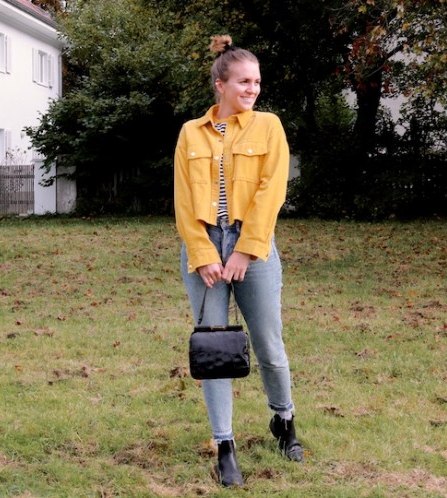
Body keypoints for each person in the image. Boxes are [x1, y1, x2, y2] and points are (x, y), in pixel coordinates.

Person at [174, 34, 303, 487]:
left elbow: (273, 189)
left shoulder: (269, 126)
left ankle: (283, 420)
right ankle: (224, 445)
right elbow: (183, 199)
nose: (252, 89)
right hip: (205, 246)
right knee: (214, 350)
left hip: (255, 244)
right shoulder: (191, 132)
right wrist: (204, 254)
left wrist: (247, 249)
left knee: (269, 343)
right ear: (220, 85)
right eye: (244, 82)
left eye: (257, 82)